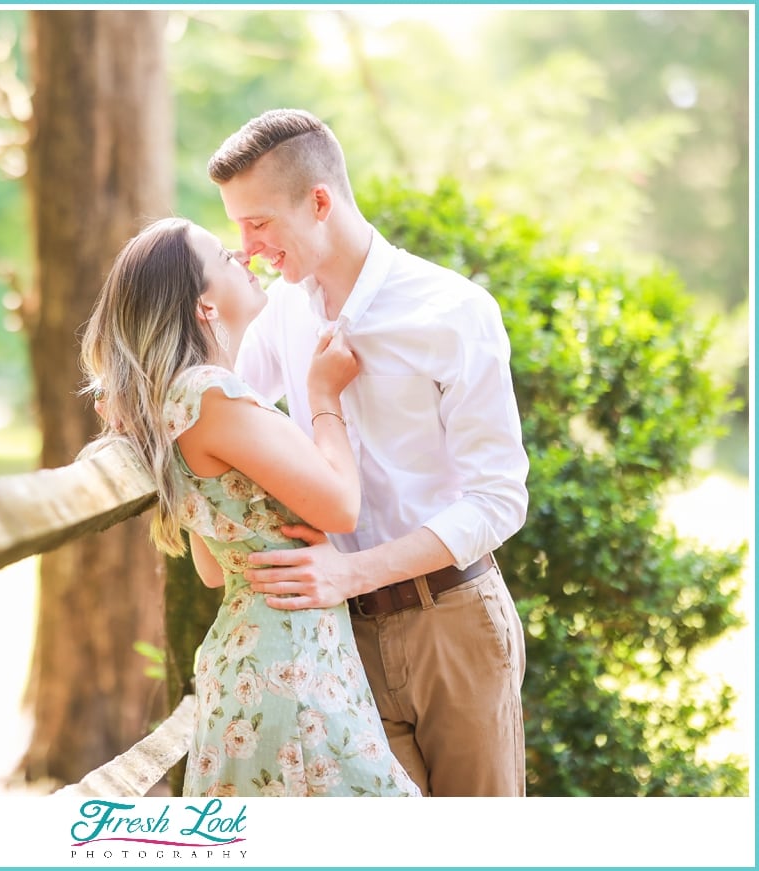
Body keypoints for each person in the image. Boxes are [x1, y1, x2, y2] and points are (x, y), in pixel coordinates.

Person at [207, 109, 530, 797]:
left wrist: (351, 572)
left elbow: (499, 499)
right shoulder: (281, 315)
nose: (246, 247)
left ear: (319, 202)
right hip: (338, 638)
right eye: (236, 226)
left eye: (258, 222)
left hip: (455, 626)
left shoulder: (453, 311)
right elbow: (219, 402)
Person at [80, 217, 419, 798]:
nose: (241, 253)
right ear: (204, 307)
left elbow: (216, 568)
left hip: (250, 663)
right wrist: (323, 396)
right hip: (291, 668)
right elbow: (341, 506)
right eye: (222, 255)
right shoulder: (213, 393)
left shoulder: (173, 403)